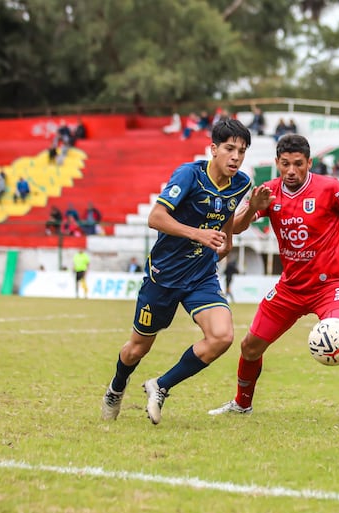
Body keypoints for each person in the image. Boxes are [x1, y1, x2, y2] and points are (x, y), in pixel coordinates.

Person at [208, 133, 339, 417]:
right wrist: (254, 206)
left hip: (331, 284)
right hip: (291, 287)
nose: (291, 171)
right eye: (285, 164)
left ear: (309, 163)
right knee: (250, 347)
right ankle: (242, 404)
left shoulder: (329, 189)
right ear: (277, 162)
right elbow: (236, 228)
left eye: (298, 164)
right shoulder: (267, 191)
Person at [100, 118, 253, 424]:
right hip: (164, 277)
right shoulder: (188, 175)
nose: (236, 156)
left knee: (222, 337)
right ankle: (117, 387)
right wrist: (198, 234)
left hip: (201, 276)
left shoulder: (242, 183)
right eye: (229, 148)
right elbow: (155, 218)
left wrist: (236, 230)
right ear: (213, 149)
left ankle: (161, 385)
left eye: (242, 150)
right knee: (137, 349)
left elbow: (228, 218)